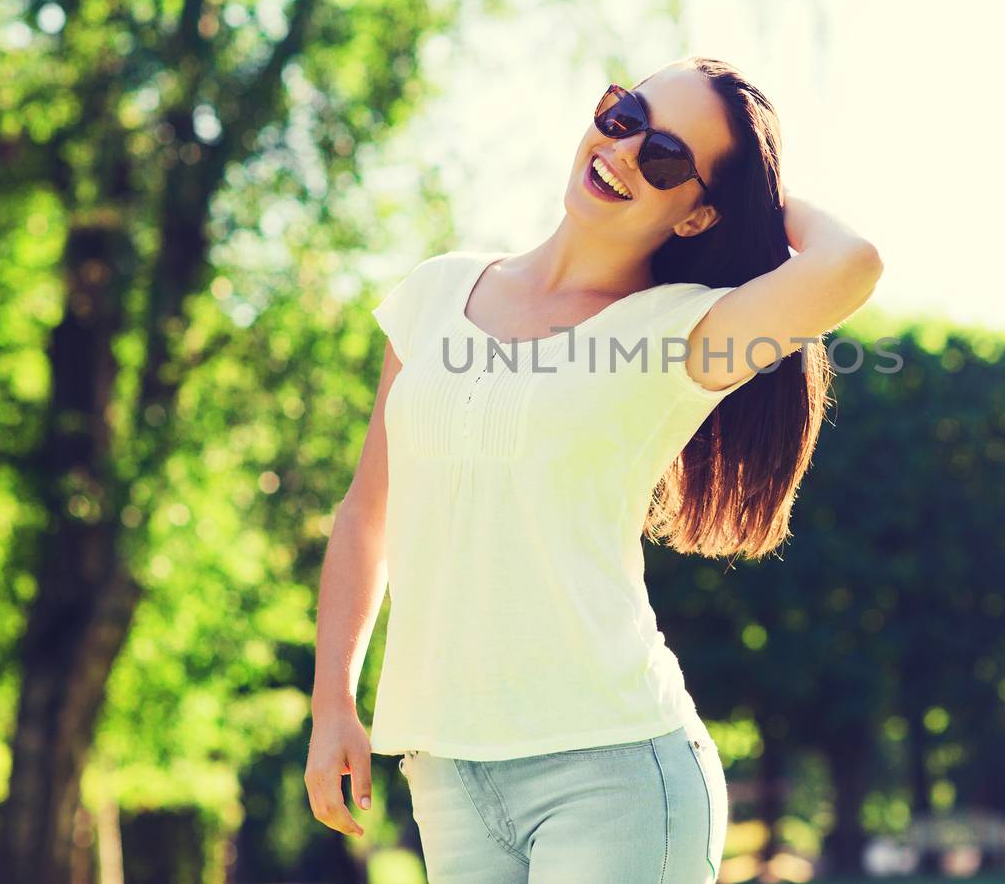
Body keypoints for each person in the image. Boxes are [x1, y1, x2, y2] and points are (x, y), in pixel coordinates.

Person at [305, 56, 883, 882]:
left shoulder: (682, 334)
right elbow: (369, 510)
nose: (624, 148)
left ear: (696, 215)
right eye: (625, 115)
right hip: (445, 765)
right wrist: (334, 701)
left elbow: (851, 264)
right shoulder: (436, 293)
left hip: (612, 772)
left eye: (668, 159)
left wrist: (761, 198)